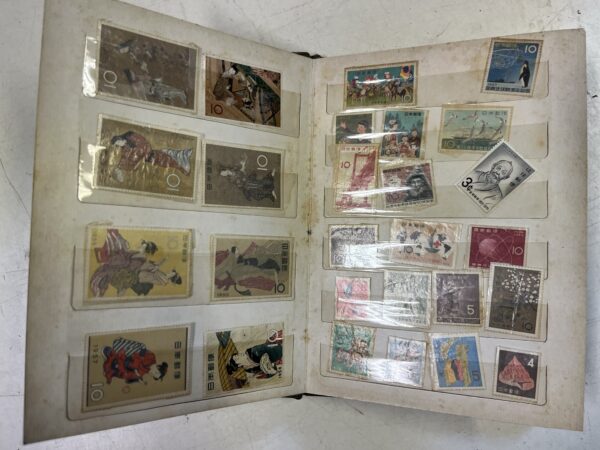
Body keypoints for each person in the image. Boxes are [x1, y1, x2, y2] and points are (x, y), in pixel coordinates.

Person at [102, 337, 168, 384]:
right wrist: (137, 361)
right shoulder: (151, 357)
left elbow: (130, 374)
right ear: (158, 367)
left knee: (125, 373)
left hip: (123, 363)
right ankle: (113, 352)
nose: (152, 373)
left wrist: (137, 377)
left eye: (153, 375)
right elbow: (140, 349)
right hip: (129, 353)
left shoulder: (143, 372)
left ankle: (111, 366)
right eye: (155, 372)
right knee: (140, 348)